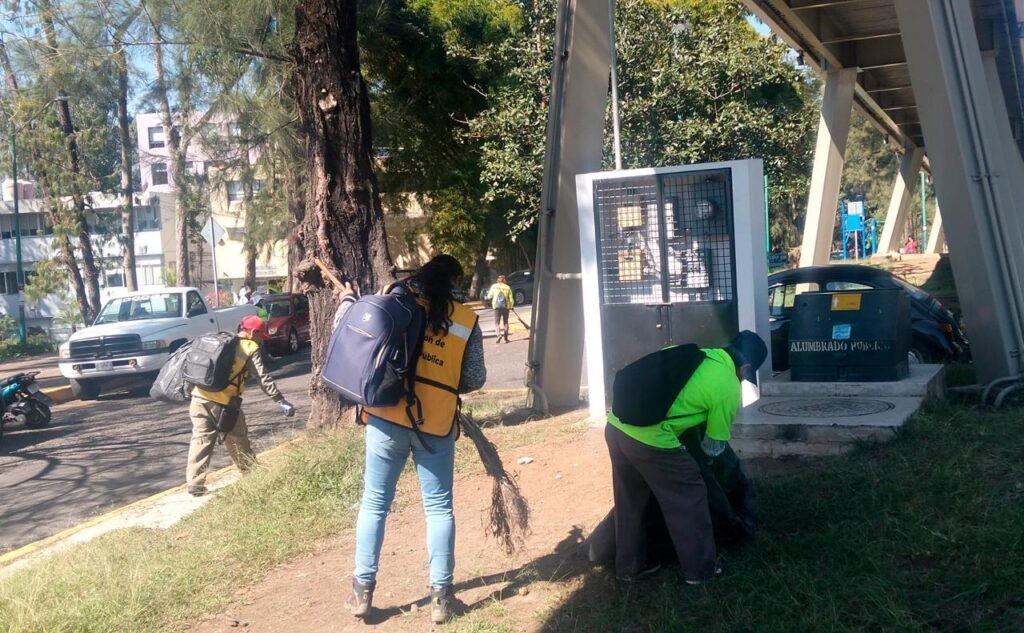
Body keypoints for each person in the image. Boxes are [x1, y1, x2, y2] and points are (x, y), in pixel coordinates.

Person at [337, 254, 487, 624]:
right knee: (439, 508)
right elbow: (474, 378)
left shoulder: (394, 298)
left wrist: (346, 301)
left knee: (375, 504)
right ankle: (441, 598)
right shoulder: (466, 320)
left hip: (386, 417)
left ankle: (362, 591)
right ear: (456, 282)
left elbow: (359, 341)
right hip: (435, 422)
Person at [603, 330, 767, 584]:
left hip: (615, 427)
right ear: (745, 368)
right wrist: (706, 467)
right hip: (649, 439)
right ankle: (701, 571)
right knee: (689, 494)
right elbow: (714, 446)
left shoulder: (693, 354)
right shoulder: (727, 386)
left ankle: (629, 568)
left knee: (630, 499)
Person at [185, 315, 296, 497]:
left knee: (200, 439)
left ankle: (195, 483)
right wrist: (279, 399)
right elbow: (262, 377)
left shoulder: (218, 340)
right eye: (260, 336)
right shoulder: (249, 347)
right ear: (252, 332)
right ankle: (252, 476)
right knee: (237, 439)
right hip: (224, 403)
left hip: (198, 398)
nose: (261, 341)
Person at [485, 275, 514, 344]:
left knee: (497, 323)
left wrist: (486, 297)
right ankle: (506, 339)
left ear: (498, 280)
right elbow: (511, 298)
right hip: (506, 307)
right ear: (504, 280)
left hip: (496, 307)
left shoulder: (494, 286)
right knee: (505, 323)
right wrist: (511, 306)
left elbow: (489, 296)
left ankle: (499, 335)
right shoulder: (507, 287)